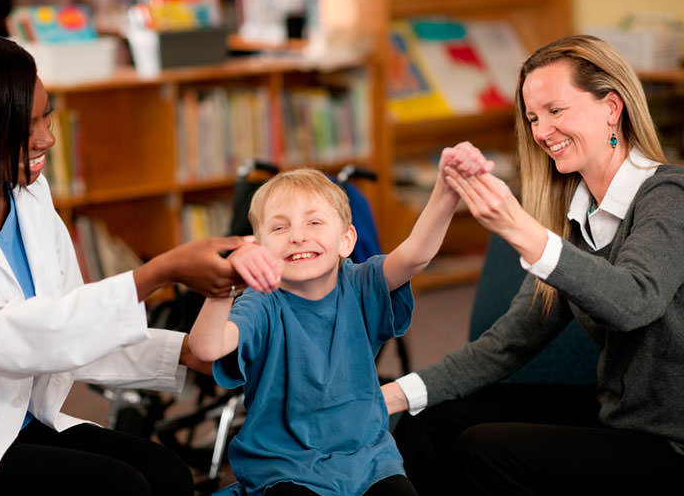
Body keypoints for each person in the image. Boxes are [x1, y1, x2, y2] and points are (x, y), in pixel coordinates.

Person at [0, 27, 256, 495]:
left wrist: (185, 352)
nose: (48, 140)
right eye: (26, 129)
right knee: (120, 488)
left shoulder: (25, 191)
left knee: (168, 474)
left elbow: (69, 319)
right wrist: (159, 273)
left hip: (17, 421)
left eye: (48, 117)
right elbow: (11, 337)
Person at [383, 34, 684, 495]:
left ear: (612, 108)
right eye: (533, 118)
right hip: (614, 418)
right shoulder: (575, 220)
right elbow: (506, 345)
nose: (542, 132)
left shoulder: (669, 196)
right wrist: (387, 397)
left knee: (485, 449)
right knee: (433, 420)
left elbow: (633, 301)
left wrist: (521, 229)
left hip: (669, 444)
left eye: (555, 111)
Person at [188, 153, 492, 495]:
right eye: (279, 227)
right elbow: (206, 347)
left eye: (314, 223)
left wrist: (446, 191)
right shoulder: (261, 302)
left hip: (368, 460)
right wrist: (224, 286)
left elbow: (416, 254)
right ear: (259, 248)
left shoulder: (362, 284)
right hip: (284, 466)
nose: (297, 236)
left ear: (346, 241)